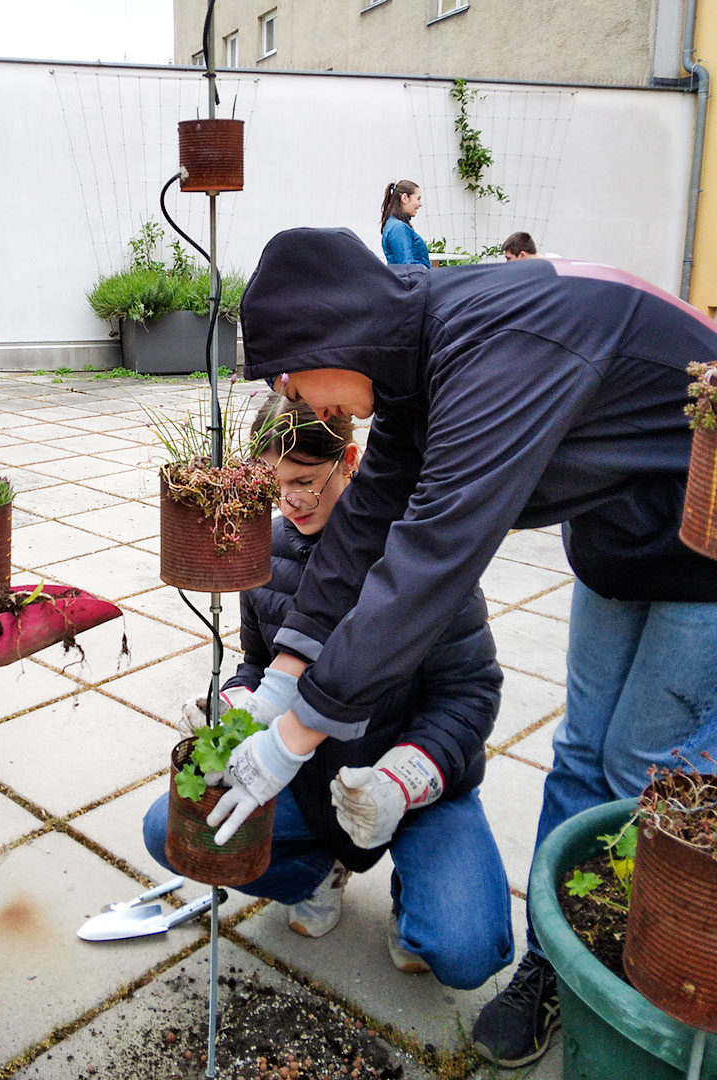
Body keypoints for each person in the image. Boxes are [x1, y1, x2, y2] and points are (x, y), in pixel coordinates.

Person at [204, 226, 717, 1069]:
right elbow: (368, 518)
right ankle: (557, 969)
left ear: (335, 331)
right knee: (584, 754)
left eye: (290, 372)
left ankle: (625, 1007)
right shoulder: (412, 359)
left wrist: (295, 739)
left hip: (703, 535)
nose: (292, 397)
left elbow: (430, 560)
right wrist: (282, 676)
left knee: (640, 774)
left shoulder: (495, 351)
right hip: (621, 530)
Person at [143, 396, 513, 989]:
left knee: (464, 950)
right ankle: (315, 872)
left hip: (416, 782)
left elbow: (470, 693)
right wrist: (238, 703)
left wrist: (403, 782)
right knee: (171, 826)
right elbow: (258, 660)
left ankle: (412, 893)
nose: (289, 503)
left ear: (350, 458)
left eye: (306, 483)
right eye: (273, 486)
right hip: (307, 776)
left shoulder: (420, 554)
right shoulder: (266, 546)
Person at [379, 179, 430, 268]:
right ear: (404, 198)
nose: (420, 204)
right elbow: (408, 268)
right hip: (416, 280)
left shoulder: (395, 225)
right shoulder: (398, 228)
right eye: (418, 199)